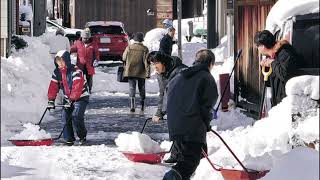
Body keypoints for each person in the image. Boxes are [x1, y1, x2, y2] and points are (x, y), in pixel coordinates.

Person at [163, 49, 218, 180]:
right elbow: (207, 105)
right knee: (189, 162)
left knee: (185, 159)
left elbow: (168, 94)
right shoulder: (206, 77)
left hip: (175, 125)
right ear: (211, 63)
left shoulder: (179, 75)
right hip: (192, 126)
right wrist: (206, 123)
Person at [150, 51, 187, 164]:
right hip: (174, 105)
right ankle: (176, 154)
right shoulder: (160, 73)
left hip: (185, 103)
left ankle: (193, 155)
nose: (154, 67)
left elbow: (171, 93)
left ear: (164, 62)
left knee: (185, 129)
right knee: (176, 129)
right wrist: (158, 112)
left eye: (156, 63)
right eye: (152, 64)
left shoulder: (180, 71)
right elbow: (163, 93)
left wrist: (162, 112)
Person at [47, 50, 90, 146]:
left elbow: (77, 87)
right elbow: (53, 86)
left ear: (67, 60)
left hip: (81, 97)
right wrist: (51, 100)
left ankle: (82, 135)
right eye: (58, 62)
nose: (60, 64)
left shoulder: (76, 71)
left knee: (76, 115)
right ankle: (68, 138)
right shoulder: (57, 72)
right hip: (68, 98)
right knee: (65, 116)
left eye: (62, 61)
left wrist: (71, 99)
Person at [254, 30, 298, 107]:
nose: (257, 48)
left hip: (288, 102)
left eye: (257, 46)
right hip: (277, 102)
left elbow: (285, 74)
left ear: (263, 46)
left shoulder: (284, 53)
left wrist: (272, 63)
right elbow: (268, 83)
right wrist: (265, 68)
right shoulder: (272, 56)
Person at [122, 32, 150, 112]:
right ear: (141, 40)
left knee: (132, 88)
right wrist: (147, 73)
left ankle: (132, 106)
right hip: (141, 71)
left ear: (134, 40)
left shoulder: (129, 47)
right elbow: (146, 62)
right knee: (142, 88)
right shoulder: (145, 49)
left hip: (130, 71)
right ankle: (142, 105)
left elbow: (123, 58)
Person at [70, 28, 99, 94]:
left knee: (89, 78)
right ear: (82, 37)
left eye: (87, 38)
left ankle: (89, 89)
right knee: (79, 78)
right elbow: (71, 49)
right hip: (80, 64)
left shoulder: (93, 44)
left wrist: (96, 60)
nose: (86, 40)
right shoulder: (78, 43)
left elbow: (96, 53)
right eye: (84, 38)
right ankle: (80, 90)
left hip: (89, 64)